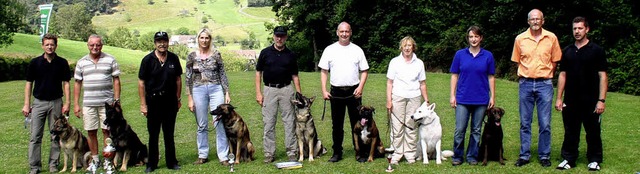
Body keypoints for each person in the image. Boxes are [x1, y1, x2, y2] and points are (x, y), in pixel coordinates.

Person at [511, 9, 562, 167]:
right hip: (525, 83)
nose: (535, 21)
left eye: (538, 19)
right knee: (525, 122)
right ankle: (524, 155)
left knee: (545, 123)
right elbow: (517, 60)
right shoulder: (520, 39)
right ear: (528, 21)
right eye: (532, 19)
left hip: (544, 84)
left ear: (543, 21)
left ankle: (544, 155)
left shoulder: (551, 37)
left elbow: (555, 60)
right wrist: (525, 75)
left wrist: (548, 74)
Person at [555, 16, 607, 171]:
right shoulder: (567, 51)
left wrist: (601, 100)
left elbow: (602, 76)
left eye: (580, 28)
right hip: (571, 100)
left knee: (593, 132)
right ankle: (569, 159)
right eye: (574, 28)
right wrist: (559, 98)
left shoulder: (597, 50)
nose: (577, 31)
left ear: (587, 29)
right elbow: (562, 75)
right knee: (570, 132)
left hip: (591, 100)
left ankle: (594, 159)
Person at [319, 21, 369, 162]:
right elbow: (324, 71)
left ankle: (359, 152)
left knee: (358, 124)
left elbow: (364, 71)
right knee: (337, 125)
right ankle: (337, 153)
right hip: (336, 92)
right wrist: (324, 90)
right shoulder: (329, 50)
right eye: (342, 31)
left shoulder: (357, 50)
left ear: (350, 32)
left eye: (347, 31)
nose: (344, 34)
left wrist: (360, 88)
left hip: (354, 92)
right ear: (337, 32)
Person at [23, 33, 70, 174]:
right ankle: (34, 167)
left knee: (55, 135)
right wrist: (26, 104)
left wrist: (67, 103)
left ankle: (53, 165)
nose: (50, 47)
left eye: (52, 44)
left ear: (56, 45)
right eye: (47, 44)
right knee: (35, 136)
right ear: (43, 45)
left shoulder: (62, 62)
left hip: (56, 102)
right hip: (38, 103)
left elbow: (66, 83)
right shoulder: (35, 63)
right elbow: (28, 84)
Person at [449, 26, 496, 166]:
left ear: (481, 38)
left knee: (476, 130)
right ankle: (457, 156)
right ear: (468, 38)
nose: (473, 39)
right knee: (460, 129)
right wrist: (452, 95)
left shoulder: (488, 56)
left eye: (476, 36)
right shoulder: (460, 55)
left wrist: (492, 96)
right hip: (462, 98)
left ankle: (472, 156)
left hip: (481, 99)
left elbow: (491, 77)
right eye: (471, 37)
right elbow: (454, 75)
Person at [73, 34, 121, 169]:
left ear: (101, 45)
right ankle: (95, 160)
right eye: (92, 45)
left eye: (98, 45)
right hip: (89, 103)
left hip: (107, 105)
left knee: (107, 131)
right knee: (91, 131)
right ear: (88, 45)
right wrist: (76, 104)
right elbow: (77, 83)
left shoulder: (110, 60)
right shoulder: (81, 62)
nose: (95, 47)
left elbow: (116, 80)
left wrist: (116, 100)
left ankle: (108, 160)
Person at [255, 26, 301, 163]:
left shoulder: (291, 55)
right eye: (277, 36)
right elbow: (258, 73)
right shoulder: (265, 53)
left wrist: (299, 93)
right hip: (269, 90)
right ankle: (269, 153)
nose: (279, 38)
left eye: (282, 36)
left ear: (286, 37)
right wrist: (258, 93)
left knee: (290, 122)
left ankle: (292, 152)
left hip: (287, 89)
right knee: (268, 122)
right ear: (273, 36)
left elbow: (295, 75)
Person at [185, 28, 231, 166]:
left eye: (207, 38)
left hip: (216, 88)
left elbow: (222, 74)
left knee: (219, 122)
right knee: (202, 124)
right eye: (202, 38)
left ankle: (223, 156)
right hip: (198, 90)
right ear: (198, 39)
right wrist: (190, 98)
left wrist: (226, 92)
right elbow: (188, 77)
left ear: (210, 40)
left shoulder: (216, 54)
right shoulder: (192, 56)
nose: (204, 40)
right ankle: (202, 154)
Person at [138, 31, 183, 173]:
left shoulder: (174, 59)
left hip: (170, 101)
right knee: (153, 134)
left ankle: (172, 162)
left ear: (168, 42)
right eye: (159, 41)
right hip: (153, 101)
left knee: (169, 133)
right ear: (155, 43)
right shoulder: (147, 60)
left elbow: (178, 80)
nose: (162, 44)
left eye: (164, 41)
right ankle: (152, 164)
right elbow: (141, 83)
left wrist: (178, 98)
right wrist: (143, 104)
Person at [386, 36, 429, 164]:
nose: (407, 48)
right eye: (405, 45)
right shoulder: (394, 62)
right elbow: (389, 83)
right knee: (397, 126)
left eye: (409, 45)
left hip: (414, 97)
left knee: (411, 126)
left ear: (413, 47)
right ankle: (397, 153)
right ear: (401, 47)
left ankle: (410, 153)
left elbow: (422, 83)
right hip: (397, 97)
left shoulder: (419, 63)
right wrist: (389, 100)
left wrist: (426, 100)